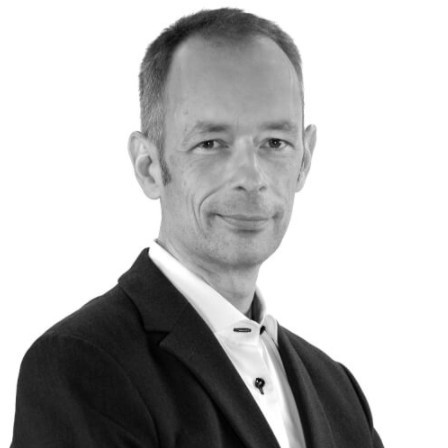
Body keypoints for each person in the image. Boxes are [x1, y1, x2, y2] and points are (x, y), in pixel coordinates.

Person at [11, 8, 383, 448]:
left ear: (305, 159)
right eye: (211, 143)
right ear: (148, 166)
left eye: (275, 143)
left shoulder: (338, 391)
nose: (251, 177)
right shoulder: (80, 367)